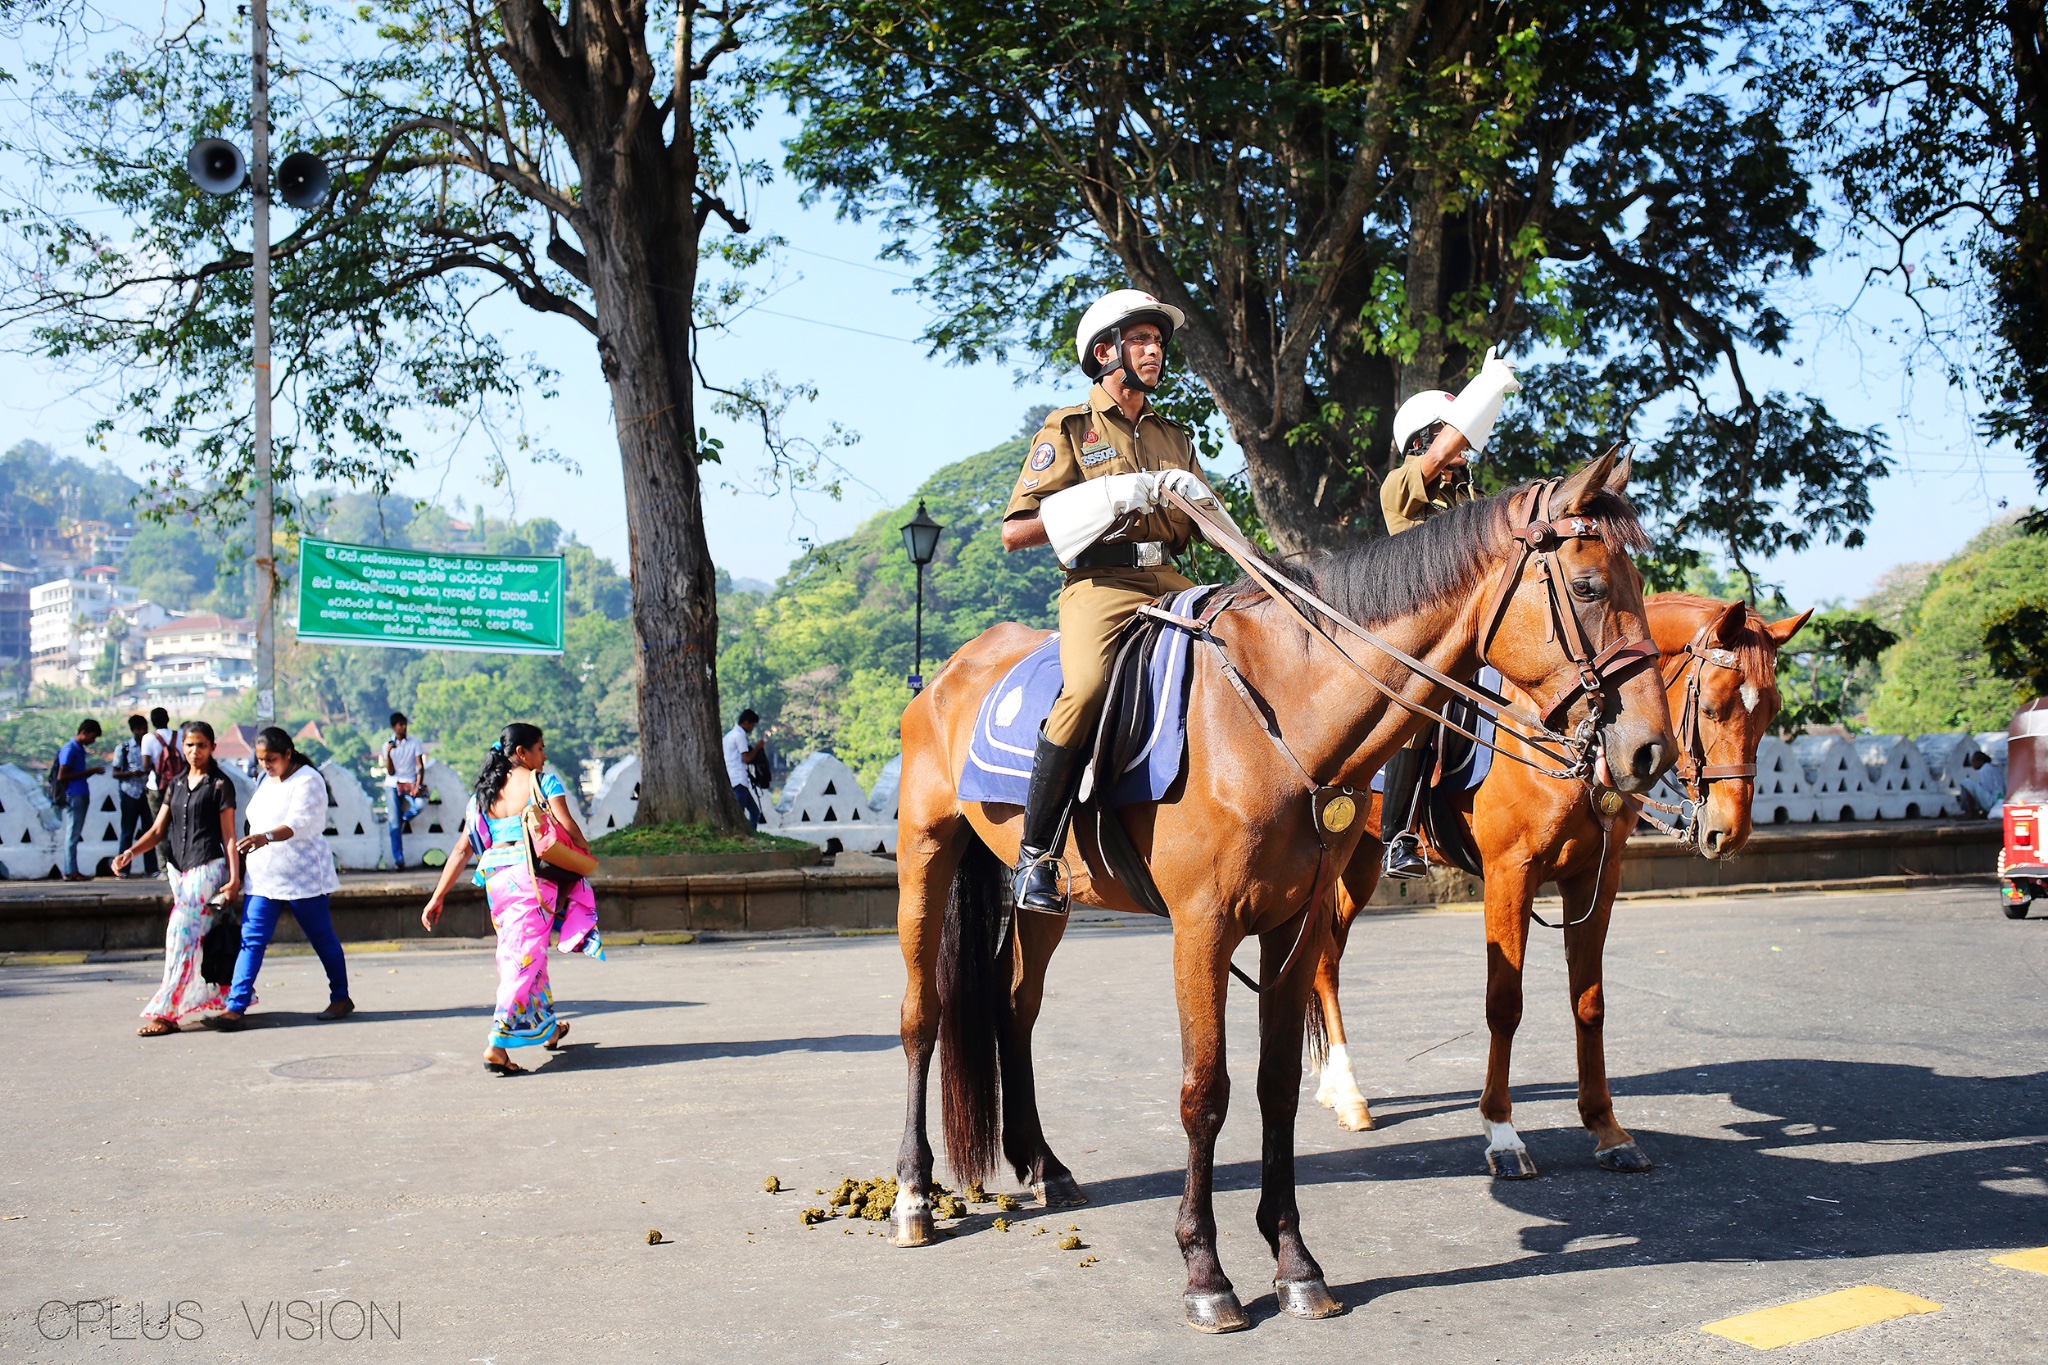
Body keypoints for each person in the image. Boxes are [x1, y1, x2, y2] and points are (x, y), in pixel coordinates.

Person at [1000, 288, 1239, 914]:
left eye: (1158, 341)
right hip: (1100, 585)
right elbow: (1016, 532)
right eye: (1141, 340)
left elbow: (1202, 527)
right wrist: (1115, 496)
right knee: (1084, 689)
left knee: (1248, 644)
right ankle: (1034, 857)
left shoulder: (1174, 437)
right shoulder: (1070, 430)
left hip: (1169, 577)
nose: (1156, 350)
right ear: (1106, 353)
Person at [1375, 348, 1522, 878]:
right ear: (1420, 441)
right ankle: (1399, 836)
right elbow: (1442, 455)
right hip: (1424, 633)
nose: (1463, 445)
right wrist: (1485, 393)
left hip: (1477, 630)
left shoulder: (1474, 499)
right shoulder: (1401, 487)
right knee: (1416, 714)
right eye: (1447, 432)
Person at [420, 723, 600, 1075]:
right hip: (531, 878)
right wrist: (583, 852)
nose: (544, 755)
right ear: (522, 753)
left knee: (522, 953)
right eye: (540, 748)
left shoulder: (482, 796)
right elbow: (566, 825)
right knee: (523, 959)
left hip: (496, 882)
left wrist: (436, 897)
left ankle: (547, 1028)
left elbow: (461, 850)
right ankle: (497, 1043)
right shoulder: (542, 783)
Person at [205, 727, 350, 1031]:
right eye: (260, 760)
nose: (265, 765)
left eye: (271, 759)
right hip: (264, 877)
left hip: (303, 875)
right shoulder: (265, 780)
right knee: (251, 940)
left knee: (322, 938)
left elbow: (297, 823)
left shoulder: (308, 780)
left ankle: (340, 997)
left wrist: (265, 837)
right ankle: (236, 1005)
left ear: (287, 754)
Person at [116, 722, 241, 1035]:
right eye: (189, 745)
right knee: (195, 940)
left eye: (200, 745)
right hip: (179, 870)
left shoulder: (220, 784)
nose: (194, 752)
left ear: (212, 747)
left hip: (208, 867)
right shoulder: (176, 782)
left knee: (179, 935)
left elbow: (229, 836)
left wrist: (234, 878)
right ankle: (217, 999)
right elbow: (159, 830)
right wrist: (130, 853)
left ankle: (167, 1013)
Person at [52, 718, 104, 882]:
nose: (93, 741)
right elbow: (62, 776)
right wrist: (88, 771)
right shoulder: (70, 749)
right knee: (73, 834)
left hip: (80, 792)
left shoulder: (78, 749)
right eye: (92, 737)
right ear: (84, 733)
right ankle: (70, 871)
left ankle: (72, 870)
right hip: (73, 794)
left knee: (74, 833)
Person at [381, 711, 426, 869]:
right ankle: (398, 859)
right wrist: (388, 754)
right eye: (400, 725)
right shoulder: (387, 745)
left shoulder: (414, 742)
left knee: (419, 805)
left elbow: (420, 766)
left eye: (405, 724)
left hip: (410, 782)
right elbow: (391, 772)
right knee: (393, 824)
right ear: (394, 727)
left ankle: (404, 818)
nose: (404, 727)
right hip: (393, 783)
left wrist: (418, 785)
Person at [112, 714, 155, 878]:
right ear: (133, 730)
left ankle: (151, 868)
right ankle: (123, 869)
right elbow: (115, 772)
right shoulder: (124, 748)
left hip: (147, 792)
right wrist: (131, 774)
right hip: (129, 792)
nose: (142, 732)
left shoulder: (150, 747)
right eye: (139, 729)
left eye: (145, 729)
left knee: (149, 832)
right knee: (127, 831)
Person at [140, 706, 183, 831]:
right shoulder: (180, 735)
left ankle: (163, 851)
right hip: (179, 785)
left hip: (157, 786)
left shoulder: (148, 738)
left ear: (152, 722)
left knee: (159, 829)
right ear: (168, 719)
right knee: (180, 825)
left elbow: (145, 765)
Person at [724, 709, 766, 829]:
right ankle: (744, 835)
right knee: (742, 811)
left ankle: (749, 834)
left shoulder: (729, 736)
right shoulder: (740, 735)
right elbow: (747, 758)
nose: (752, 729)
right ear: (746, 723)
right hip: (738, 778)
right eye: (752, 725)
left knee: (754, 811)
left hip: (731, 777)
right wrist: (757, 748)